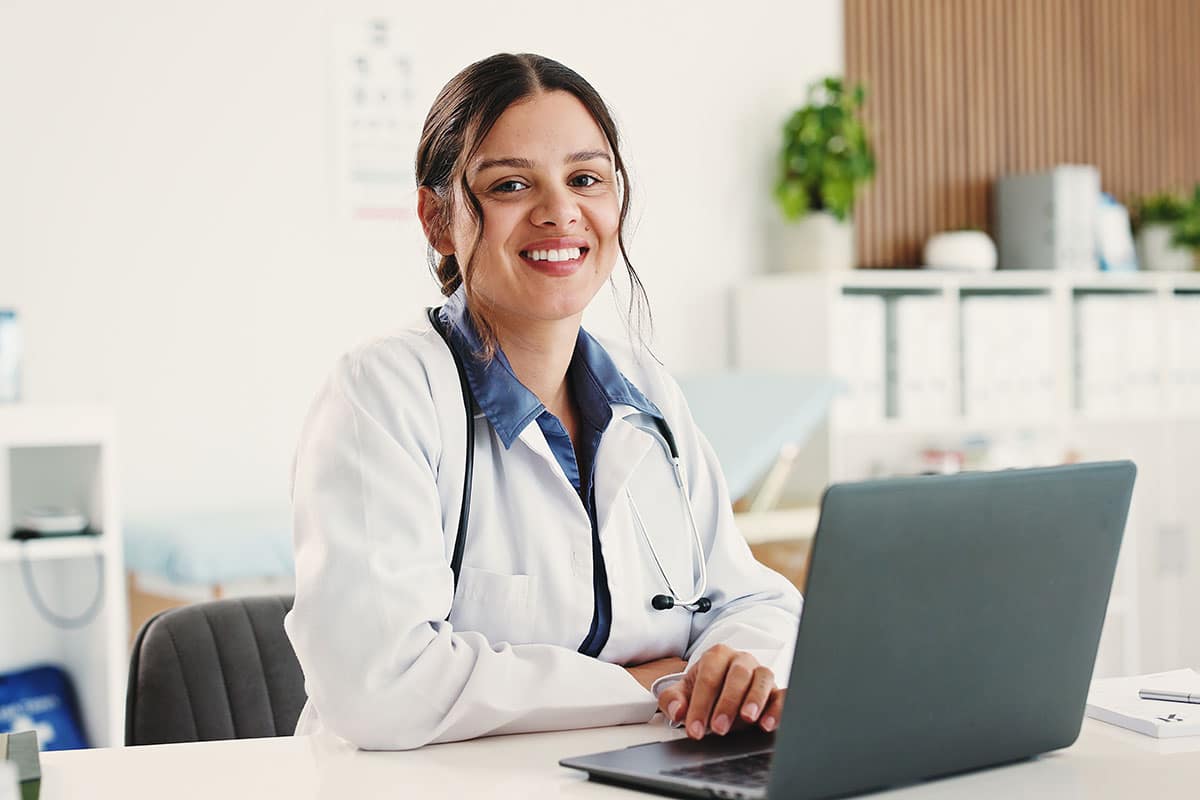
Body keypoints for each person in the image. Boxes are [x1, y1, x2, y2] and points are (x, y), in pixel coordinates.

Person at [284, 52, 803, 750]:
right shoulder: (382, 396)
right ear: (438, 220)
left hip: (629, 771)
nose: (560, 211)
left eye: (585, 179)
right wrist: (641, 682)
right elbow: (379, 685)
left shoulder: (647, 396)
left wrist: (725, 670)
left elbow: (755, 601)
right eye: (510, 186)